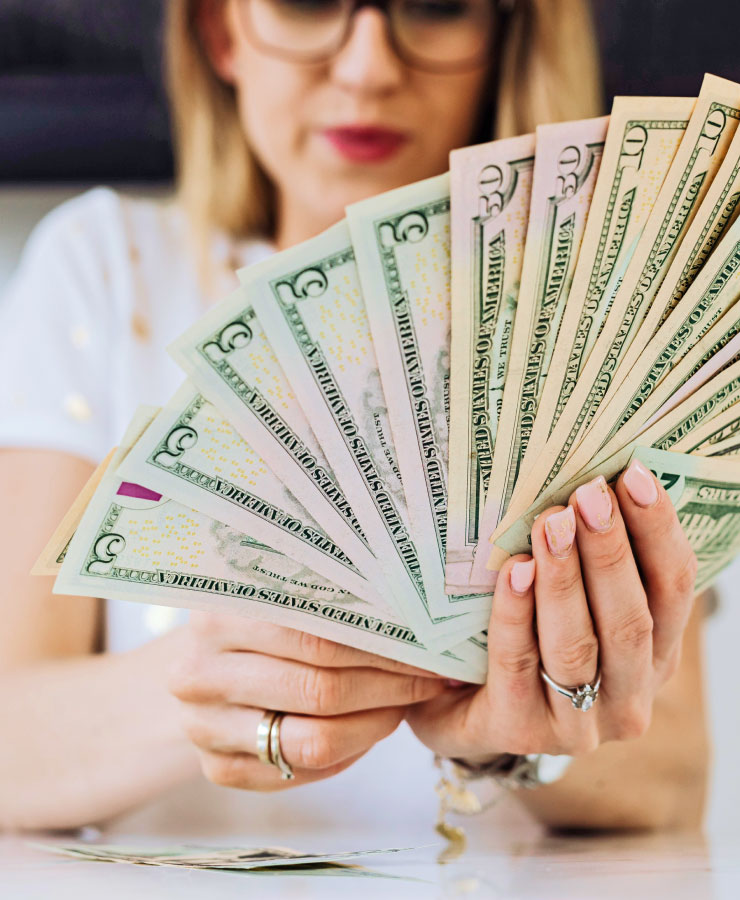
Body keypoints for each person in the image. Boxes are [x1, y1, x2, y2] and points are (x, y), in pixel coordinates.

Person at [0, 0, 708, 834]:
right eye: (306, 4)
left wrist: (510, 736)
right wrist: (201, 684)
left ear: (502, 40)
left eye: (437, 6)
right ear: (222, 33)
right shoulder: (103, 266)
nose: (368, 67)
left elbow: (672, 776)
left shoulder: (597, 319)